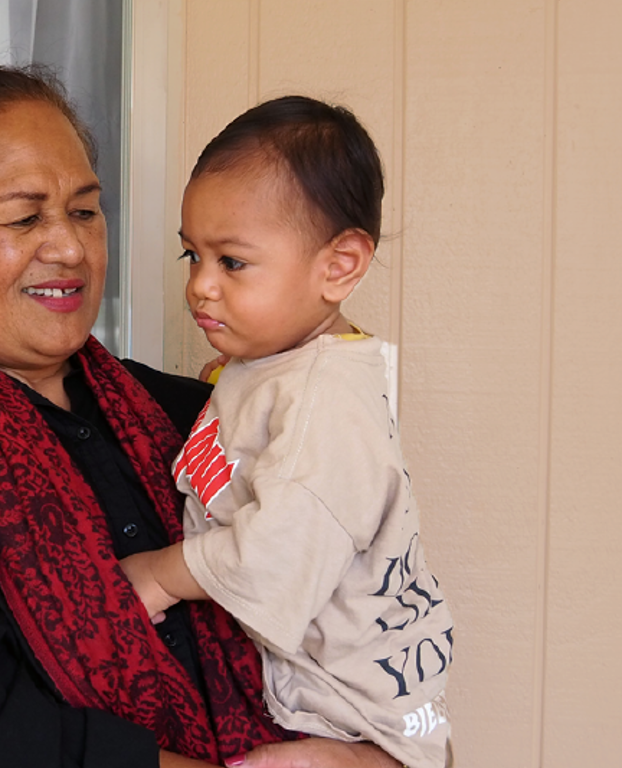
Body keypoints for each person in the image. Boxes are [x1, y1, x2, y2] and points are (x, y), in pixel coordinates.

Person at [0, 63, 404, 768]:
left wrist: (378, 755)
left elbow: (375, 609)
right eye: (24, 216)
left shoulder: (202, 414)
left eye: (84, 211)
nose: (69, 247)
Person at [119, 97, 454, 768]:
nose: (199, 288)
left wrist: (159, 575)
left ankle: (356, 761)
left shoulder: (323, 400)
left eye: (232, 263)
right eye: (193, 255)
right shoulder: (273, 366)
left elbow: (277, 553)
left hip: (355, 704)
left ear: (339, 266)